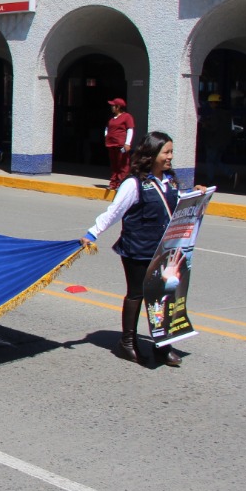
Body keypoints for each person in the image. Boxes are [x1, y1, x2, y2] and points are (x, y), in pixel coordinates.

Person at [80, 131, 202, 367]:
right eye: (166, 152)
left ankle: (163, 346)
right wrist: (92, 233)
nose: (170, 157)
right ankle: (127, 343)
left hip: (164, 249)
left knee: (164, 297)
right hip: (137, 248)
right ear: (152, 153)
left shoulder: (170, 181)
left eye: (171, 152)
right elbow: (114, 212)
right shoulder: (134, 183)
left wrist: (195, 194)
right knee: (137, 294)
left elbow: (176, 203)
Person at [105, 97, 135, 191]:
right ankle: (113, 183)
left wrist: (127, 143)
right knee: (114, 165)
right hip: (111, 144)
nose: (112, 107)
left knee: (123, 165)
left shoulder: (127, 117)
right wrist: (106, 136)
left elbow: (130, 129)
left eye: (113, 105)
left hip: (120, 144)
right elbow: (107, 128)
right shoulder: (112, 119)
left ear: (118, 107)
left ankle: (121, 183)